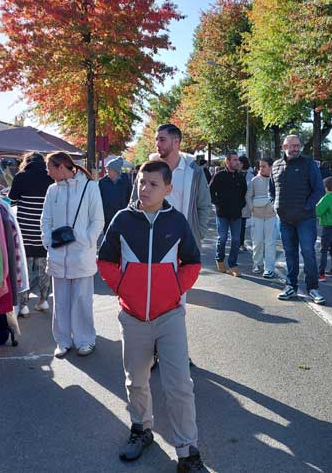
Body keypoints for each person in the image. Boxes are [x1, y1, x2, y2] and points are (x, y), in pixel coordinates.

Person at [98, 161, 207, 472]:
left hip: (169, 315)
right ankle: (141, 429)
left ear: (168, 189)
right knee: (136, 381)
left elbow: (192, 263)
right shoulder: (122, 219)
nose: (144, 189)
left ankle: (187, 452)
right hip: (133, 316)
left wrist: (175, 289)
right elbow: (105, 261)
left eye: (153, 184)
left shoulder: (177, 221)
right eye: (141, 182)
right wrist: (124, 288)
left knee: (179, 385)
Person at [41, 151, 104, 357]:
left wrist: (86, 240)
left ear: (60, 167)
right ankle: (63, 340)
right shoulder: (52, 190)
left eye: (49, 168)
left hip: (81, 254)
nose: (47, 172)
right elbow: (46, 219)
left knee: (82, 300)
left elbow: (98, 219)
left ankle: (85, 340)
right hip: (58, 253)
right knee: (60, 301)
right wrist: (48, 242)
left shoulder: (90, 187)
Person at [270, 135, 325, 304]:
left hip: (305, 219)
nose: (295, 148)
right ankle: (290, 286)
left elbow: (319, 190)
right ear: (284, 147)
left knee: (308, 252)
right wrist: (275, 205)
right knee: (290, 254)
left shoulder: (309, 164)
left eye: (297, 145)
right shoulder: (276, 165)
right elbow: (272, 190)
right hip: (284, 219)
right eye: (292, 145)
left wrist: (307, 207)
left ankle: (313, 288)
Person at [144, 124, 212, 248]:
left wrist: (198, 233)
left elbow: (204, 204)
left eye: (162, 139)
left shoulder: (194, 172)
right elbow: (135, 201)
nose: (157, 144)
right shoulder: (147, 169)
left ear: (176, 142)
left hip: (184, 240)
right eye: (156, 139)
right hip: (152, 237)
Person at [9, 151, 54, 314]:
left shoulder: (21, 176)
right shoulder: (50, 176)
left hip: (25, 228)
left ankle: (23, 305)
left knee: (25, 268)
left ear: (26, 161)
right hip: (43, 228)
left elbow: (12, 199)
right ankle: (43, 300)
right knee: (44, 267)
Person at [210, 152, 247, 277]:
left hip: (236, 214)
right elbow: (211, 191)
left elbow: (244, 193)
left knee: (236, 240)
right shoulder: (219, 176)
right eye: (235, 160)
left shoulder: (241, 177)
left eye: (238, 160)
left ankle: (233, 265)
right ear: (227, 161)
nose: (237, 162)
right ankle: (219, 259)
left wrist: (240, 205)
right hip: (222, 214)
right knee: (222, 238)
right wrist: (217, 204)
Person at [246, 157, 277, 278]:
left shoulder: (276, 180)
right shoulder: (254, 180)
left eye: (264, 166)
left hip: (272, 216)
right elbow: (248, 196)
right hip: (257, 216)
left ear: (271, 167)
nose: (261, 168)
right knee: (257, 241)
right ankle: (257, 264)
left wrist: (275, 209)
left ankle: (269, 268)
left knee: (270, 243)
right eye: (260, 166)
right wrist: (252, 208)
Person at [316, 176, 332, 280]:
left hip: (327, 226)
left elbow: (318, 211)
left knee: (323, 250)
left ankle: (321, 273)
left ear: (326, 187)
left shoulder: (326, 198)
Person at [99, 156, 132, 233]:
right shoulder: (102, 182)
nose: (107, 171)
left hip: (121, 214)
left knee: (121, 234)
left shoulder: (126, 181)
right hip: (106, 215)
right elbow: (98, 199)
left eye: (109, 169)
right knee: (108, 234)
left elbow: (130, 197)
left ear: (116, 171)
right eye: (107, 169)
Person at [238, 155, 253, 253]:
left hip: (244, 203)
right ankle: (237, 243)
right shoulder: (235, 172)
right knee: (235, 224)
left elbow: (250, 189)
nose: (237, 164)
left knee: (242, 224)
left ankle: (240, 243)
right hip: (234, 203)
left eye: (239, 163)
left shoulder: (250, 174)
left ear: (243, 164)